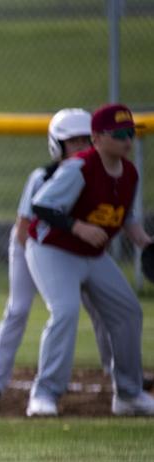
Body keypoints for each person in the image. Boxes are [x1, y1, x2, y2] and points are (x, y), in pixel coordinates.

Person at [0, 108, 113, 412]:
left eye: (84, 141)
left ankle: (118, 374)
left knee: (101, 304)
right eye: (72, 141)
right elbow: (25, 230)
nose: (80, 148)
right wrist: (47, 273)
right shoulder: (43, 177)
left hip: (71, 249)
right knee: (18, 309)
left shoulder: (97, 178)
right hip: (30, 248)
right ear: (57, 145)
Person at [25, 103, 154, 417]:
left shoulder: (130, 173)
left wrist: (144, 241)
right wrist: (78, 227)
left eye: (131, 133)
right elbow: (41, 206)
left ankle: (128, 394)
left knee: (128, 312)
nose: (127, 140)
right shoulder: (78, 168)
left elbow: (127, 218)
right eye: (120, 134)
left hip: (92, 255)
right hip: (52, 249)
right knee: (65, 310)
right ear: (97, 138)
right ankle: (44, 395)